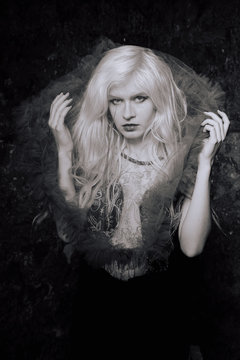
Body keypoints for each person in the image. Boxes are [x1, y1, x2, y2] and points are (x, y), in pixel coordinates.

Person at [17, 40, 230, 359]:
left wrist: (204, 164)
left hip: (160, 308)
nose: (127, 113)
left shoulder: (179, 159)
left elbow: (191, 247)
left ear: (158, 99)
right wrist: (64, 149)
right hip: (98, 305)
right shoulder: (97, 152)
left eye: (139, 98)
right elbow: (69, 231)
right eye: (116, 101)